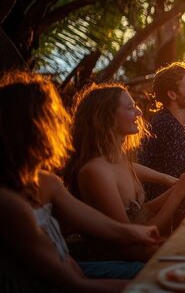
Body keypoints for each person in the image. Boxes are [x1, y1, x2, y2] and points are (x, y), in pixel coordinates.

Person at [0, 71, 160, 292]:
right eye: (52, 117)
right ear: (28, 129)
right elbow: (73, 283)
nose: (61, 123)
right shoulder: (10, 204)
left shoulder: (46, 182)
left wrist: (134, 232)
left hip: (75, 270)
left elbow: (98, 222)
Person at [64, 84, 185, 244]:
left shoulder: (118, 159)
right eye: (130, 108)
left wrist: (182, 185)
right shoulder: (95, 171)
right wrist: (180, 190)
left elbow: (143, 212)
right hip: (118, 262)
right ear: (106, 118)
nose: (139, 112)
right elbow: (131, 241)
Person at [138, 62, 185, 201]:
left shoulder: (174, 122)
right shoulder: (167, 126)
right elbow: (178, 183)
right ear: (172, 94)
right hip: (169, 211)